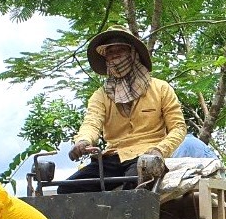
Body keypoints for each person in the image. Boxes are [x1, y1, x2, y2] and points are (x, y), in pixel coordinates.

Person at [57, 25, 187, 194]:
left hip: (148, 155)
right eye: (110, 52)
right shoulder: (101, 95)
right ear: (106, 59)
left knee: (134, 185)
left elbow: (178, 128)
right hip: (112, 158)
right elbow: (92, 122)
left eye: (121, 50)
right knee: (66, 189)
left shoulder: (161, 88)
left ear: (133, 54)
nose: (115, 55)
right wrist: (83, 141)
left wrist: (159, 150)